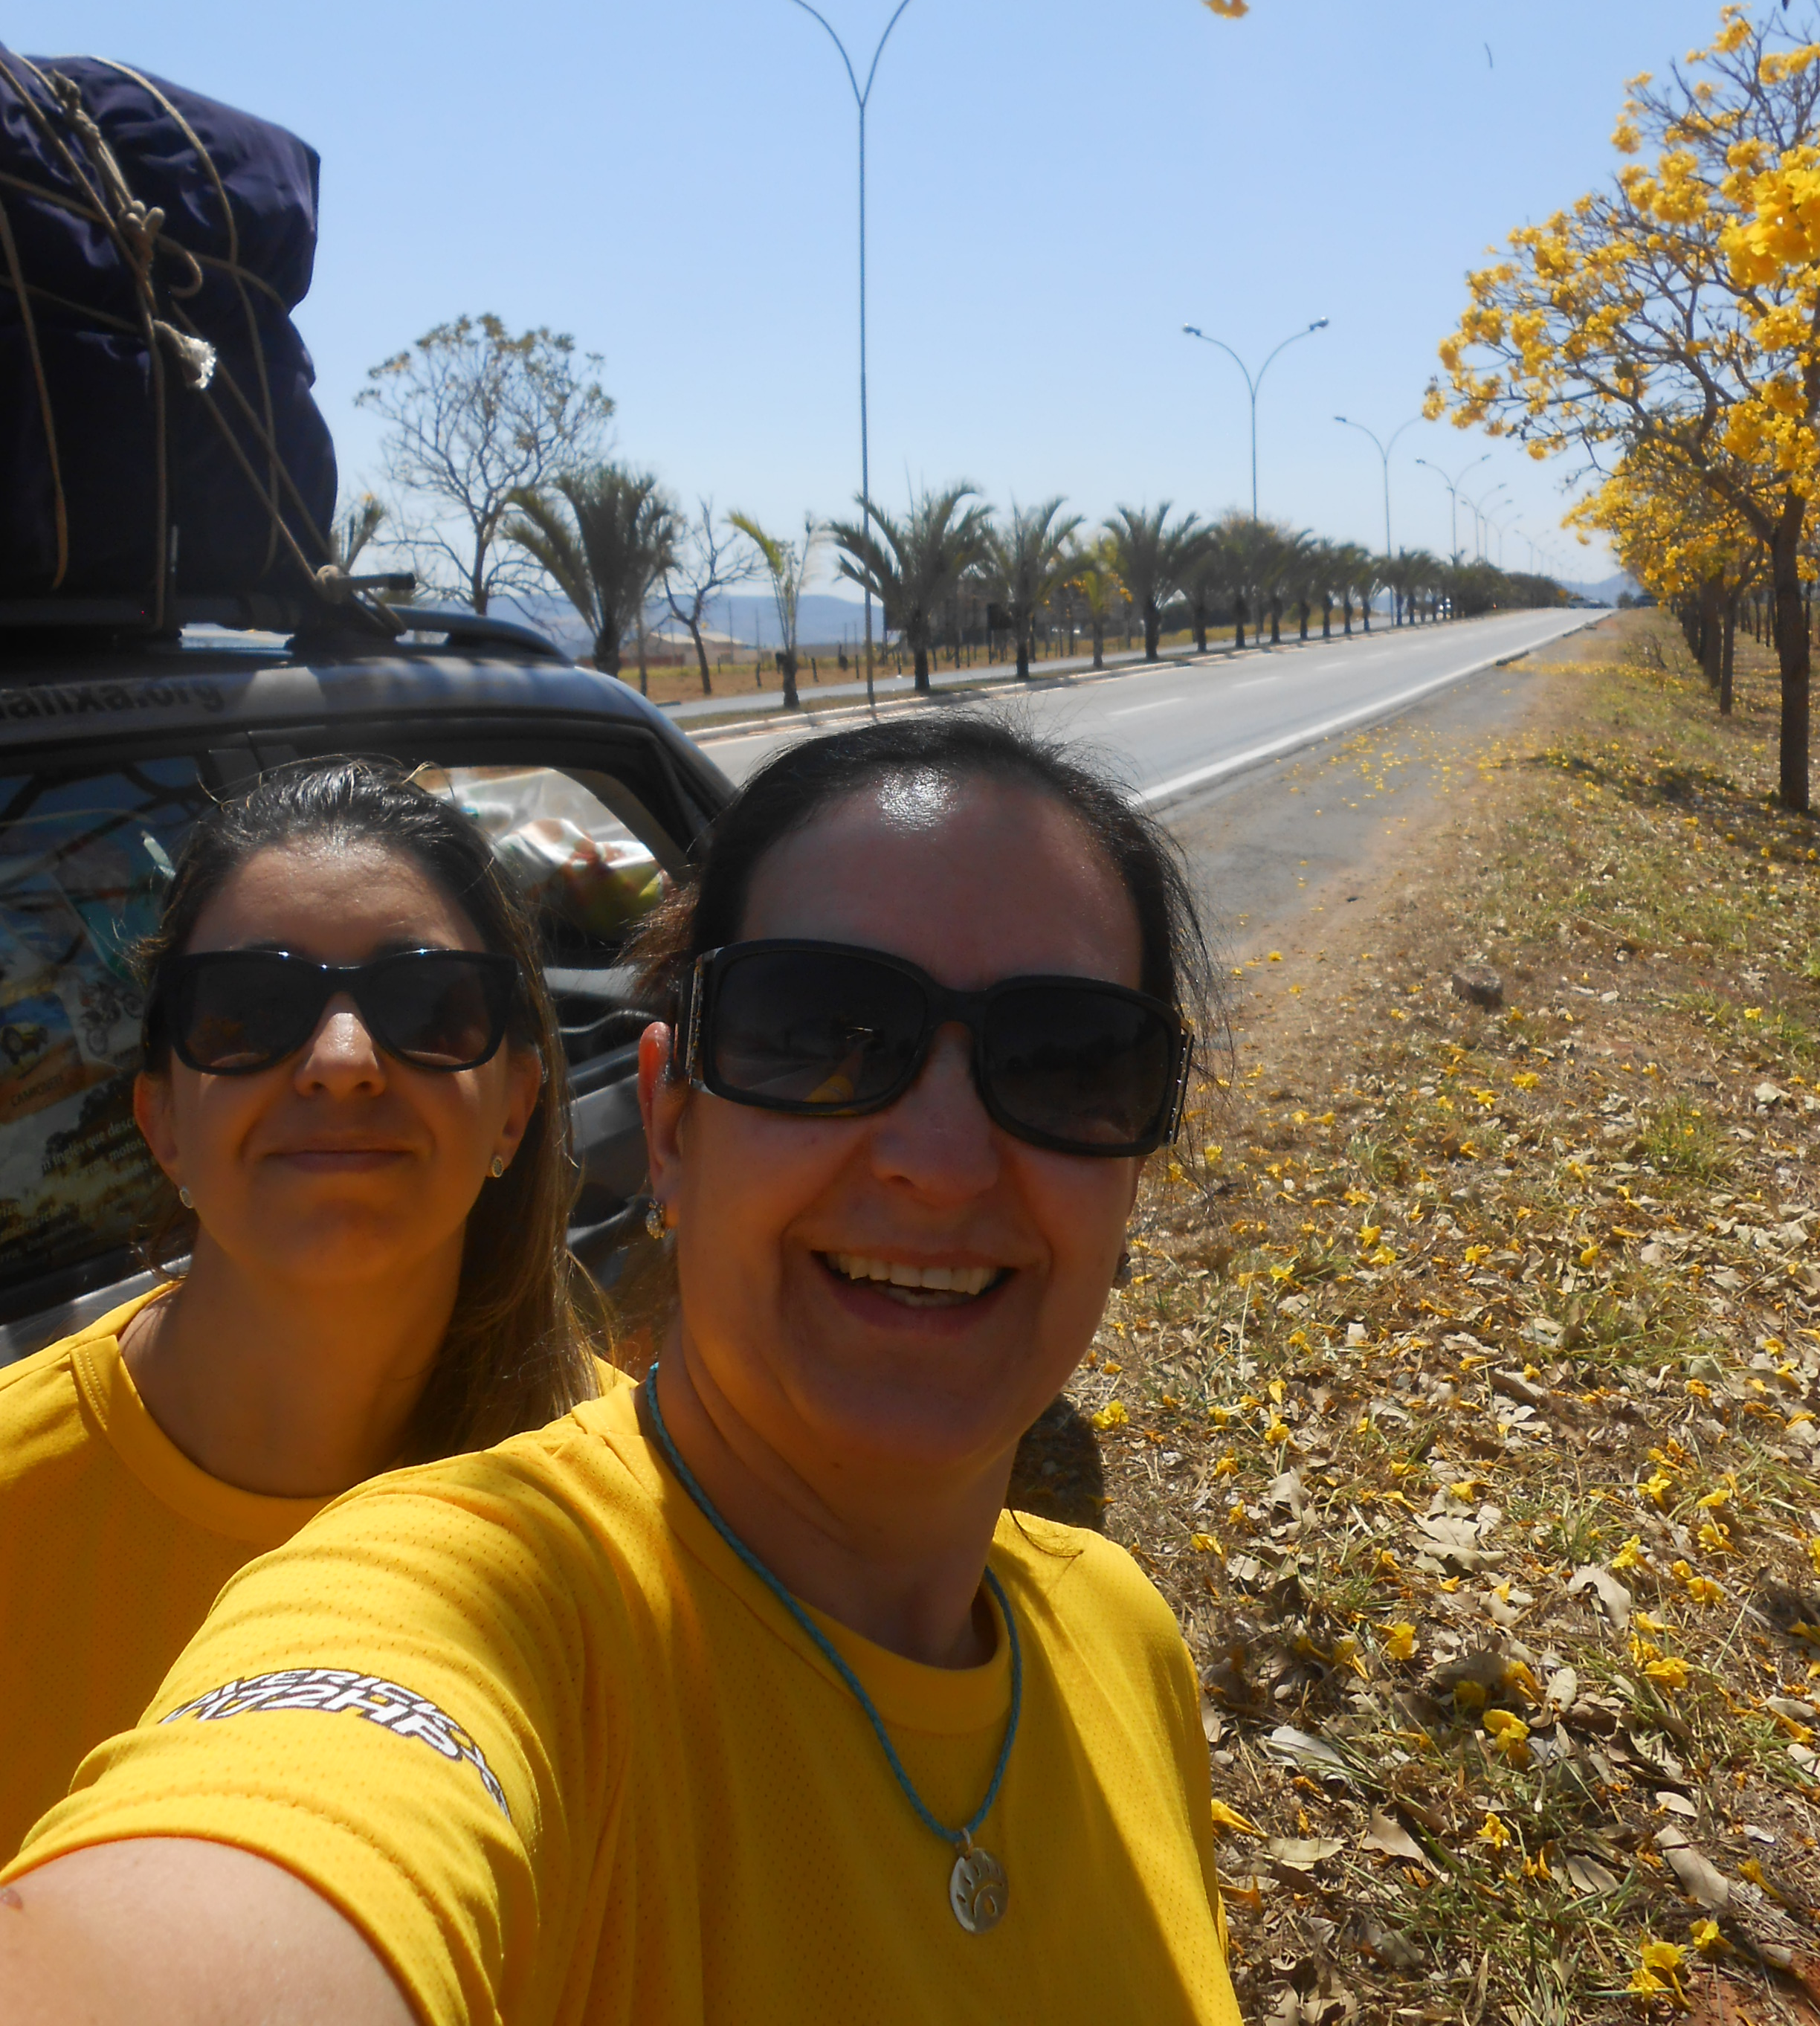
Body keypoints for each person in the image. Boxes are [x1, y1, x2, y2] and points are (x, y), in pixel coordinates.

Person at [0, 713, 1242, 2026]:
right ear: (667, 1121)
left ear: (1135, 1171)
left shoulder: (1126, 1641)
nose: (939, 1161)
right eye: (817, 1030)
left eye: (1067, 1060)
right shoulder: (491, 1595)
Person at [0, 758, 610, 1862]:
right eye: (247, 1011)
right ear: (162, 1121)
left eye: (426, 1004)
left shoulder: (635, 1512)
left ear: (516, 1106)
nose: (340, 1061)